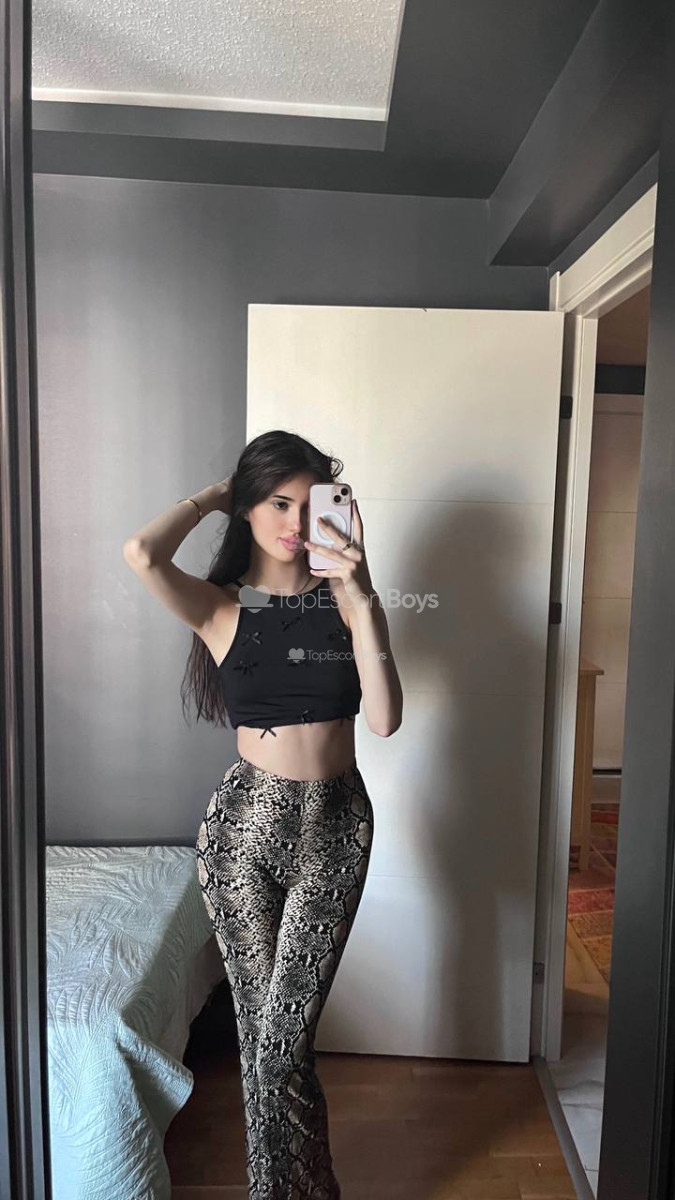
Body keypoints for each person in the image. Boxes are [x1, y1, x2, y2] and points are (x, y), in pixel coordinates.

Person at [123, 429, 403, 1200]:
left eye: (311, 505)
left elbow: (384, 720)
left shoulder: (344, 601)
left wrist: (361, 592)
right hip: (243, 829)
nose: (295, 520)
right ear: (247, 508)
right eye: (278, 502)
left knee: (282, 1043)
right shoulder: (220, 607)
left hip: (336, 829)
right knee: (264, 1045)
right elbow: (142, 554)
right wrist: (217, 494)